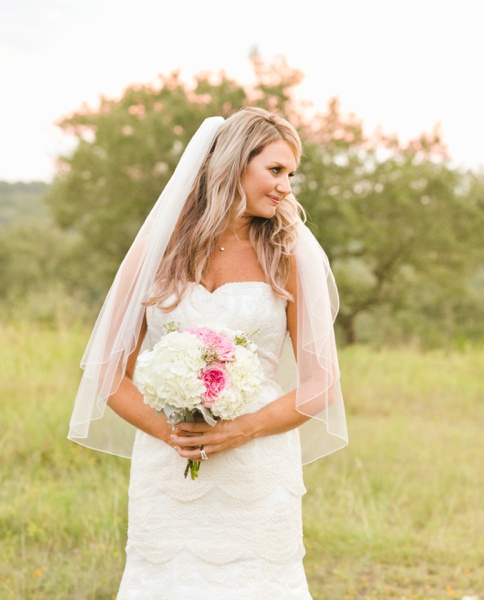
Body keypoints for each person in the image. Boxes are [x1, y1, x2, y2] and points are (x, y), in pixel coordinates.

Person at [67, 107, 348, 599]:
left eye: (291, 174)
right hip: (168, 465)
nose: (287, 186)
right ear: (235, 163)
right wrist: (173, 434)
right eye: (276, 170)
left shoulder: (286, 253)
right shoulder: (158, 251)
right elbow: (107, 372)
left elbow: (322, 384)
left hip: (257, 465)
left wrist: (238, 431)